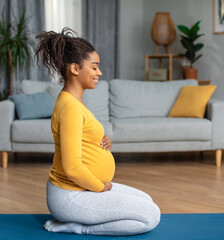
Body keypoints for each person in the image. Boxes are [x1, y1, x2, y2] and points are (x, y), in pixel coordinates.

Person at [35, 27, 160, 236]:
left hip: (83, 190)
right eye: (94, 67)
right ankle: (79, 227)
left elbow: (82, 139)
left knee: (147, 201)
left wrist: (102, 143)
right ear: (75, 69)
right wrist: (101, 188)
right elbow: (72, 167)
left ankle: (77, 219)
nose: (99, 72)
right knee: (151, 216)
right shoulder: (70, 107)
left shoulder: (74, 102)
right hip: (71, 196)